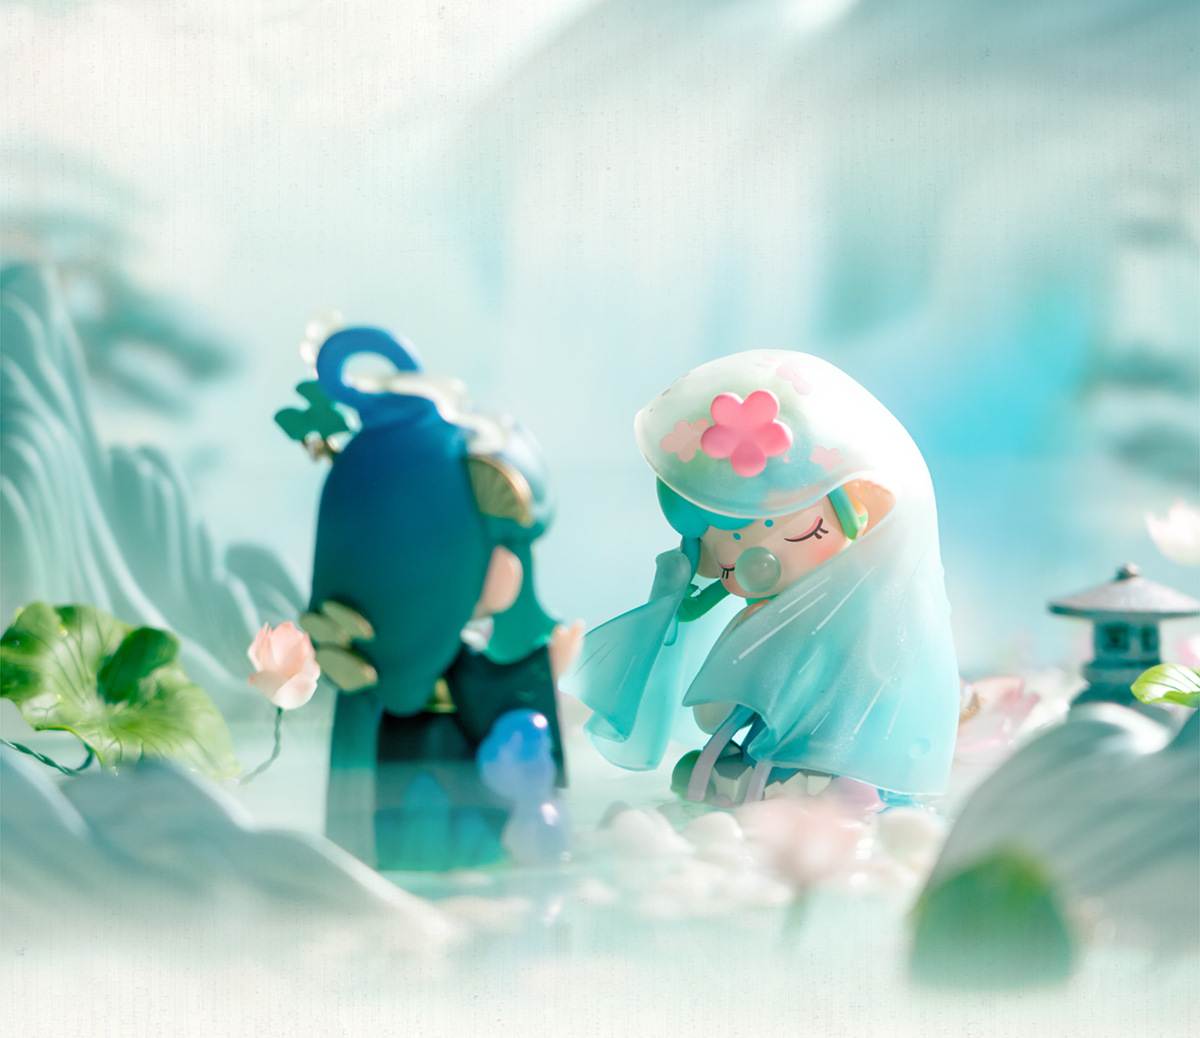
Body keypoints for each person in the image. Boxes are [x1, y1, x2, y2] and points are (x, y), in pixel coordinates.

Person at [571, 350, 960, 803]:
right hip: (775, 758)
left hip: (850, 756)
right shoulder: (756, 622)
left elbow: (886, 680)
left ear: (852, 513)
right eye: (729, 563)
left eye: (806, 532)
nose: (764, 561)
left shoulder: (871, 609)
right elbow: (712, 714)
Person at [301, 327, 579, 869]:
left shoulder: (400, 672)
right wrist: (543, 669)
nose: (514, 567)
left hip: (435, 772)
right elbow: (487, 689)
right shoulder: (390, 674)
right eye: (500, 547)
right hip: (427, 777)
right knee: (430, 831)